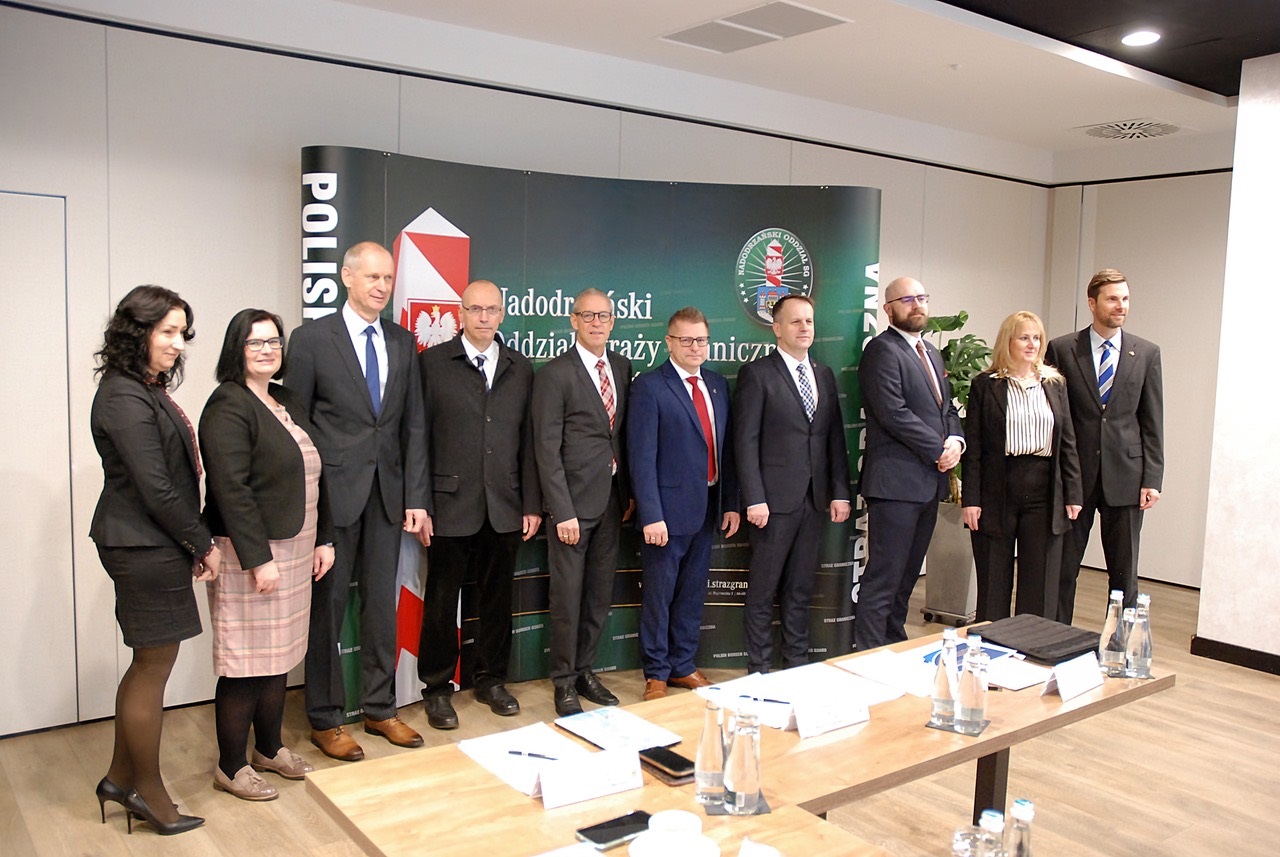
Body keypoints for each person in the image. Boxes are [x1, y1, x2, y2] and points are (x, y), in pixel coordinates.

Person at [284, 241, 429, 761]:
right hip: (331, 498)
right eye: (372, 277)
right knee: (327, 608)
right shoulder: (311, 339)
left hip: (387, 495)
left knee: (380, 606)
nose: (381, 286)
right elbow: (296, 423)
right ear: (347, 277)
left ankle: (379, 708)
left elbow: (413, 423)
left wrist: (416, 495)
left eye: (388, 278)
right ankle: (325, 718)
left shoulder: (402, 341)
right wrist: (309, 500)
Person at [89, 285, 220, 836]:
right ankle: (148, 792)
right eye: (167, 331)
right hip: (142, 544)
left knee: (147, 665)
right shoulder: (123, 396)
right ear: (136, 332)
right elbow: (157, 488)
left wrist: (189, 541)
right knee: (151, 669)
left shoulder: (143, 388)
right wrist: (203, 544)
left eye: (182, 333)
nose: (177, 343)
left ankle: (120, 780)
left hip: (152, 542)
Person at [199, 309, 335, 800]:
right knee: (245, 660)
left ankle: (269, 748)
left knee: (279, 655)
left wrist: (324, 538)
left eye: (274, 341)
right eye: (255, 342)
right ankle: (231, 766)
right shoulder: (227, 405)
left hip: (296, 547)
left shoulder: (285, 399)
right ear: (236, 349)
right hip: (250, 552)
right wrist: (258, 559)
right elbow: (231, 490)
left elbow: (317, 472)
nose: (267, 350)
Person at [415, 280, 542, 730]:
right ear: (461, 313)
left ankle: (491, 680)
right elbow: (417, 438)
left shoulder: (520, 368)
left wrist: (531, 503)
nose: (484, 317)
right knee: (441, 600)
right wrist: (420, 503)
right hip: (448, 504)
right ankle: (436, 688)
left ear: (502, 314)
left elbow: (529, 441)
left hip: (505, 503)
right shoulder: (432, 364)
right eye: (475, 309)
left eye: (492, 309)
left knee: (497, 599)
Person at [734, 294, 851, 674]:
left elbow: (834, 438)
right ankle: (759, 668)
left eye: (809, 321)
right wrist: (754, 498)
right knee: (763, 590)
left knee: (800, 588)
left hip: (815, 501)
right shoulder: (758, 374)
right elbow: (745, 441)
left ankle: (796, 664)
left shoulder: (824, 374)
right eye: (796, 321)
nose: (804, 328)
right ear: (777, 328)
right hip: (772, 504)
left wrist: (840, 492)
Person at [628, 307, 740, 700]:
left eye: (701, 340)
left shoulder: (717, 384)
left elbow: (725, 450)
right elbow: (641, 456)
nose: (695, 347)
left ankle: (683, 665)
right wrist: (651, 515)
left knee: (692, 593)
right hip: (666, 513)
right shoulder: (650, 386)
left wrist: (729, 503)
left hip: (707, 506)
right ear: (669, 342)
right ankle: (657, 672)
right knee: (659, 596)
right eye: (686, 340)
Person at [532, 288, 632, 716]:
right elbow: (545, 448)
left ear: (612, 321)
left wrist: (627, 494)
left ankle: (585, 669)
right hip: (572, 507)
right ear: (573, 320)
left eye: (603, 316)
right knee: (568, 598)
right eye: (587, 316)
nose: (596, 323)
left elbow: (619, 436)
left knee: (598, 595)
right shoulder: (555, 374)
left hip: (611, 502)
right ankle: (563, 681)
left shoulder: (622, 367)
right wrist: (562, 510)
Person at [1045, 269, 1164, 622]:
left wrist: (1152, 478)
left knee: (1125, 573)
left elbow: (1152, 420)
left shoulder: (1146, 353)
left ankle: (1122, 642)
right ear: (1092, 303)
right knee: (1063, 568)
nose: (1120, 306)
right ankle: (1056, 637)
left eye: (1125, 299)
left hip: (1127, 477)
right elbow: (1054, 417)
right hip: (1075, 477)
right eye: (1112, 299)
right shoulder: (1063, 349)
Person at [856, 277, 963, 651]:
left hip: (928, 484)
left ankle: (894, 645)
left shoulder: (931, 352)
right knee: (884, 577)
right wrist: (938, 449)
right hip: (895, 485)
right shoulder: (881, 351)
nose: (917, 305)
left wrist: (956, 441)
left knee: (906, 578)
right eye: (906, 299)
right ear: (888, 309)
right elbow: (893, 412)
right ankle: (869, 653)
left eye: (921, 297)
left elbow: (947, 408)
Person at [961, 311, 1083, 622]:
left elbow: (1067, 442)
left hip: (1044, 490)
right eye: (1024, 338)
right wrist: (971, 499)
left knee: (1039, 582)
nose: (1032, 344)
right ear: (1008, 342)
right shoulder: (986, 385)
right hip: (997, 489)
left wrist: (1073, 493)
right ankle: (991, 642)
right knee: (994, 580)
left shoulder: (1054, 383)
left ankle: (1032, 644)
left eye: (1037, 338)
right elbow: (974, 447)